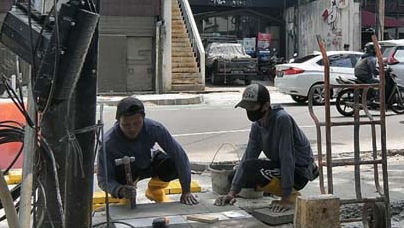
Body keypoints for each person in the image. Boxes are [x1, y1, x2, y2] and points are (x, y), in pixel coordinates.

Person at [216, 83, 318, 212]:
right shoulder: (257, 125)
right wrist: (232, 193)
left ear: (265, 106)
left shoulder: (282, 119)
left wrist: (285, 199)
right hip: (280, 165)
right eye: (247, 107)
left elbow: (287, 158)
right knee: (234, 176)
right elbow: (249, 155)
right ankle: (278, 190)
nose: (249, 111)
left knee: (251, 169)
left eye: (253, 107)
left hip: (299, 171)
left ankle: (291, 195)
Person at [97, 97, 199, 205]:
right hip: (125, 173)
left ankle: (154, 190)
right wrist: (119, 190)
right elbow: (103, 179)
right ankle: (125, 198)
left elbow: (180, 156)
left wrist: (186, 191)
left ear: (143, 118)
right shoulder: (108, 143)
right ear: (118, 121)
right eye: (126, 125)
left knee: (172, 165)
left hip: (148, 162)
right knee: (121, 188)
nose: (132, 129)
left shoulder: (154, 128)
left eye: (137, 123)